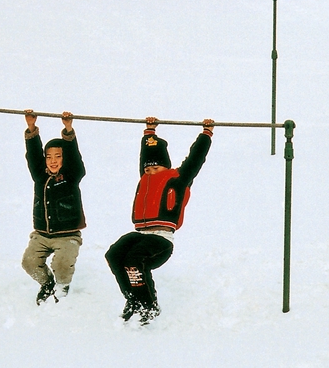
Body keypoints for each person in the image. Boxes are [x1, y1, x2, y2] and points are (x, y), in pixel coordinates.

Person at [105, 117, 214, 325]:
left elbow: (195, 159)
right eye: (147, 170)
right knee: (114, 254)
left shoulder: (178, 179)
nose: (151, 173)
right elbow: (145, 156)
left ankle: (149, 306)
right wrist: (149, 133)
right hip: (141, 234)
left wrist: (206, 133)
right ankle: (133, 299)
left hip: (161, 239)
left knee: (134, 260)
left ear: (166, 166)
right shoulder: (144, 178)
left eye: (156, 169)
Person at [21, 110, 86, 305]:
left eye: (58, 156)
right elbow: (33, 155)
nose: (53, 161)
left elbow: (74, 157)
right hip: (42, 234)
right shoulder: (40, 176)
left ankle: (62, 285)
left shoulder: (72, 175)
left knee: (62, 263)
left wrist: (68, 131)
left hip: (67, 234)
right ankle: (47, 284)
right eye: (49, 157)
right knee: (29, 262)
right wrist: (32, 128)